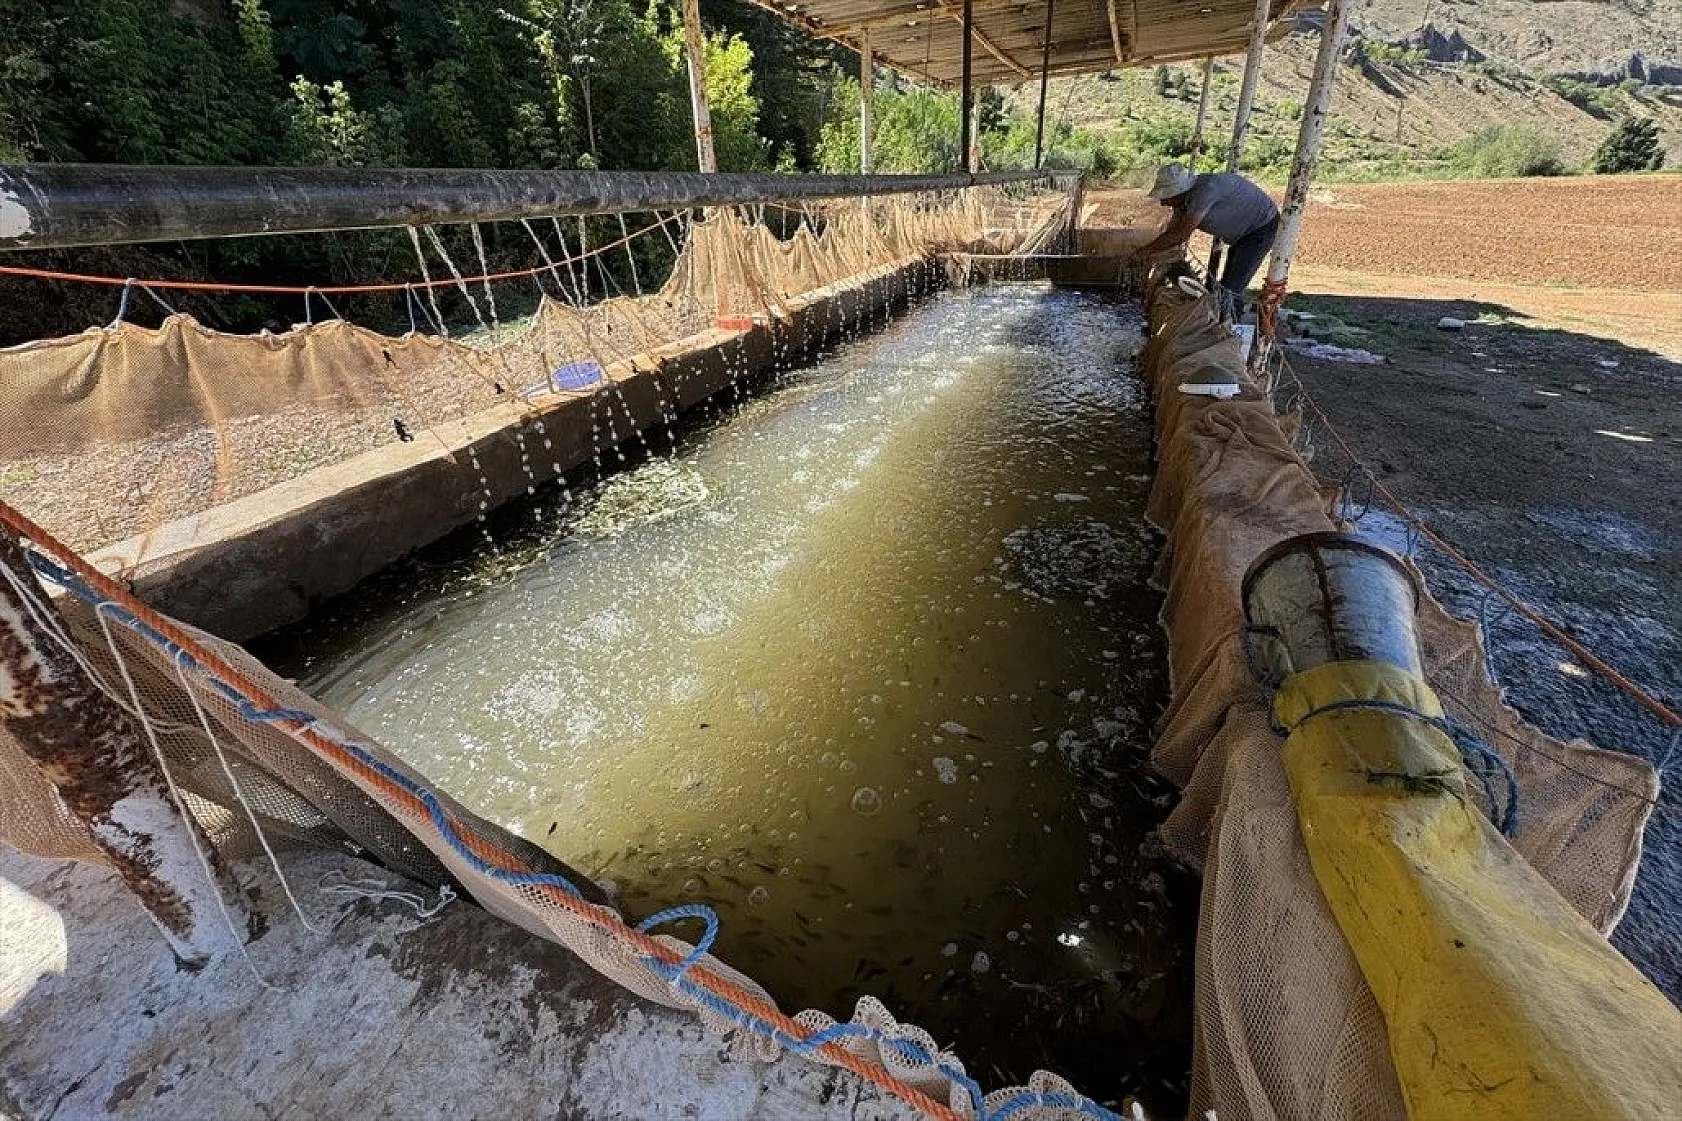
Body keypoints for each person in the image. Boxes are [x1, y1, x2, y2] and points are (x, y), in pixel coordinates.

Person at [1138, 162, 1279, 322]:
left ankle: (1232, 330)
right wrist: (1151, 254)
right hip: (1241, 233)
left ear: (1178, 192)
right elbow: (1171, 233)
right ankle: (1221, 319)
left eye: (1165, 197)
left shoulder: (1204, 191)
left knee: (1232, 288)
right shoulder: (1183, 202)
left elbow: (1180, 235)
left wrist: (1145, 251)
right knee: (1226, 285)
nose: (1163, 203)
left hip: (1260, 228)